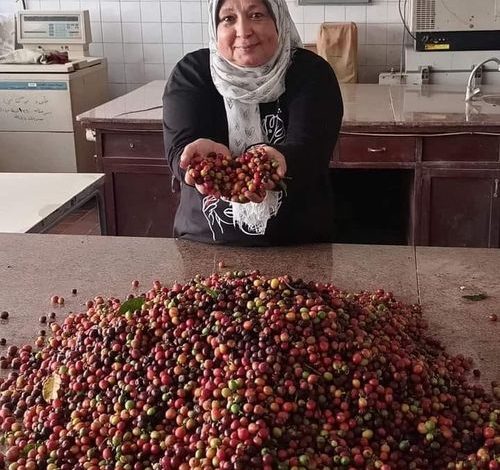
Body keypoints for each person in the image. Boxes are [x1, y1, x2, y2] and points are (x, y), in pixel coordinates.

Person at [163, 0, 343, 245]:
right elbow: (178, 149)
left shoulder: (310, 72)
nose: (243, 31)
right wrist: (195, 162)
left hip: (298, 243)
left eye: (257, 15)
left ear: (278, 20)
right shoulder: (192, 73)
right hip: (204, 241)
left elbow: (311, 149)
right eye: (228, 19)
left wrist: (279, 160)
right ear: (215, 26)